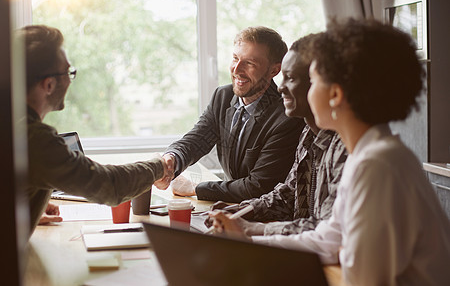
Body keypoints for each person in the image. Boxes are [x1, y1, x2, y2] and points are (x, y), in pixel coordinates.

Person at [211, 19, 450, 285]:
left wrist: (249, 241)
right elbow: (329, 237)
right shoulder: (370, 154)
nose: (282, 88)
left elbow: (361, 277)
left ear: (335, 94)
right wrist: (247, 239)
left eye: (313, 80)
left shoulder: (377, 165)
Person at [19, 25, 173, 235]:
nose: (70, 79)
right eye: (68, 72)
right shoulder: (35, 139)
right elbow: (110, 185)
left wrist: (23, 210)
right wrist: (158, 167)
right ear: (48, 85)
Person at [209, 33, 348, 237]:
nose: (280, 87)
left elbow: (327, 229)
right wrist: (246, 210)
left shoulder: (345, 147)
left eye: (290, 78)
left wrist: (252, 229)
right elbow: (290, 194)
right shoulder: (309, 134)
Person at [157, 26, 303, 203]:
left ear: (274, 70)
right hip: (230, 208)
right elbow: (197, 140)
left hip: (265, 217)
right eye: (235, 58)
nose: (237, 69)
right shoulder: (223, 97)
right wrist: (171, 160)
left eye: (250, 63)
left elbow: (258, 187)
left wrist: (194, 188)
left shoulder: (286, 117)